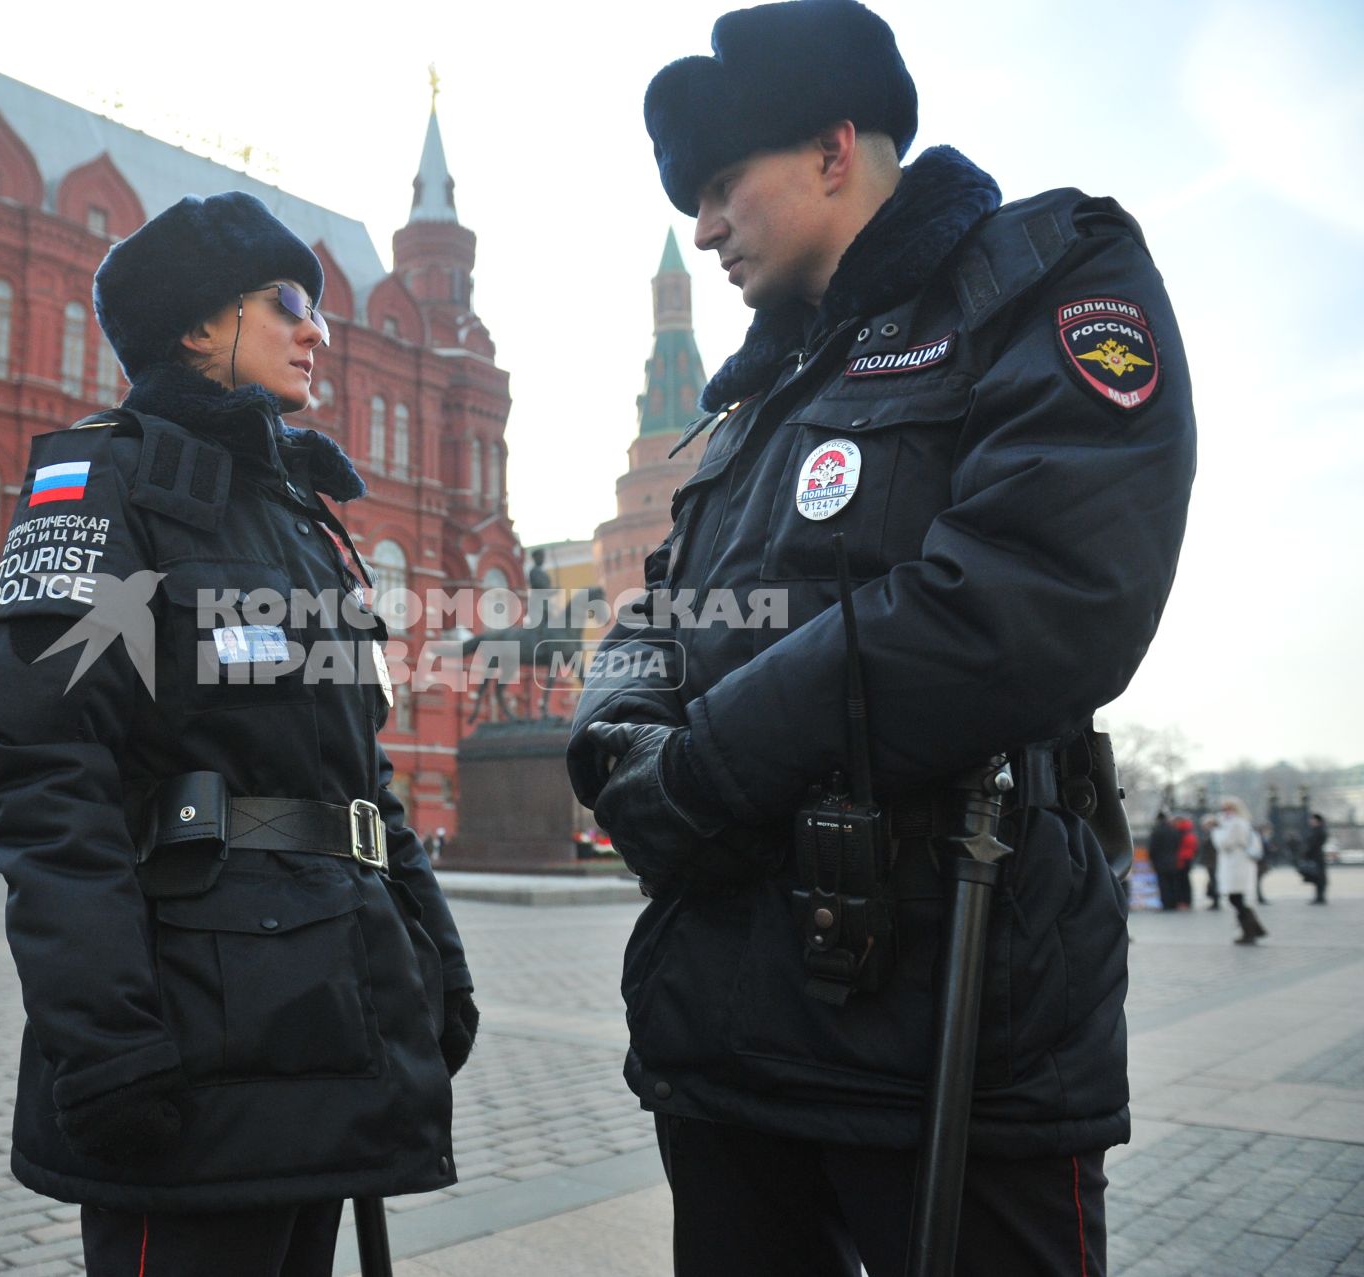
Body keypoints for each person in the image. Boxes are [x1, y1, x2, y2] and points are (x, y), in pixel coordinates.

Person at [568, 2, 1195, 1272]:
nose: (704, 227)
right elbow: (663, 609)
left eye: (723, 184)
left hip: (951, 1012)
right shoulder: (750, 401)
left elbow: (1036, 592)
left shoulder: (1045, 279)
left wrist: (699, 774)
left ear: (834, 148)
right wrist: (614, 733)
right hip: (733, 1023)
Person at [0, 191, 476, 1277]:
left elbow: (357, 770)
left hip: (328, 1031)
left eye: (319, 308)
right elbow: (41, 770)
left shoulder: (297, 517)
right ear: (198, 325)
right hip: (191, 1051)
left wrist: (434, 952)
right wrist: (106, 1042)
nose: (317, 330)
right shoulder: (107, 482)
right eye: (287, 302)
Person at [1212, 797, 1267, 943]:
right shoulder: (1240, 822)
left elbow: (1223, 843)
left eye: (1227, 809)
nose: (1224, 812)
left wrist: (1216, 830)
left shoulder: (1234, 823)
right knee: (1237, 898)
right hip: (1238, 863)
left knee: (1235, 898)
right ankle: (1253, 929)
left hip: (1236, 864)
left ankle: (1250, 930)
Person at [1303, 813, 1329, 905]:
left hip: (1317, 857)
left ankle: (1320, 897)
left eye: (1312, 819)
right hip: (1315, 857)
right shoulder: (1315, 830)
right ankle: (1318, 897)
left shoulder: (1320, 831)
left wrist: (1307, 853)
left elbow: (1313, 845)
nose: (1310, 821)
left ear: (1317, 821)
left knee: (1319, 878)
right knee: (1316, 878)